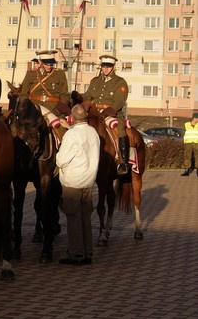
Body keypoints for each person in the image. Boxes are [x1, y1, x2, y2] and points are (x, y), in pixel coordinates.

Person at [56, 103, 101, 265]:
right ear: (85, 117)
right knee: (85, 217)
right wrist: (70, 129)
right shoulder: (93, 132)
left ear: (73, 117)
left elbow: (62, 159)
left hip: (73, 181)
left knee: (73, 217)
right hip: (89, 180)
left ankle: (76, 254)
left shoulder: (71, 135)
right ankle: (88, 251)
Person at [82, 54, 129, 175]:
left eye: (109, 66)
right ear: (101, 67)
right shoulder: (95, 81)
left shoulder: (120, 82)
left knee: (120, 129)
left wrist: (105, 113)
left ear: (113, 67)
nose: (106, 69)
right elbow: (88, 96)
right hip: (94, 112)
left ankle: (123, 162)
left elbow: (119, 101)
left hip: (111, 114)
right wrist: (82, 100)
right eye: (104, 66)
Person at [17, 49, 70, 116]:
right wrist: (24, 108)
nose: (49, 66)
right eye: (46, 64)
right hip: (34, 106)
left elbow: (64, 94)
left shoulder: (59, 74)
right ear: (40, 62)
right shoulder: (31, 73)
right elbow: (24, 94)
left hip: (54, 107)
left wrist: (62, 108)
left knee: (60, 126)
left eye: (51, 64)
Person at [180, 112, 198, 177]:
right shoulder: (186, 125)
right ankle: (186, 171)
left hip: (197, 143)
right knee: (187, 156)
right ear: (195, 118)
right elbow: (182, 134)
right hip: (188, 143)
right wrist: (184, 140)